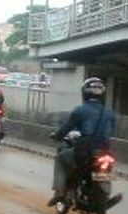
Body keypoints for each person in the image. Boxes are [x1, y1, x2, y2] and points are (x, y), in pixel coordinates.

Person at [47, 77, 117, 206]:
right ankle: (106, 195)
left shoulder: (80, 110)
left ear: (85, 93)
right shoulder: (110, 113)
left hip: (85, 151)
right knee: (105, 169)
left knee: (61, 159)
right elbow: (112, 132)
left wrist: (56, 136)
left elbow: (66, 128)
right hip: (104, 151)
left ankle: (59, 192)